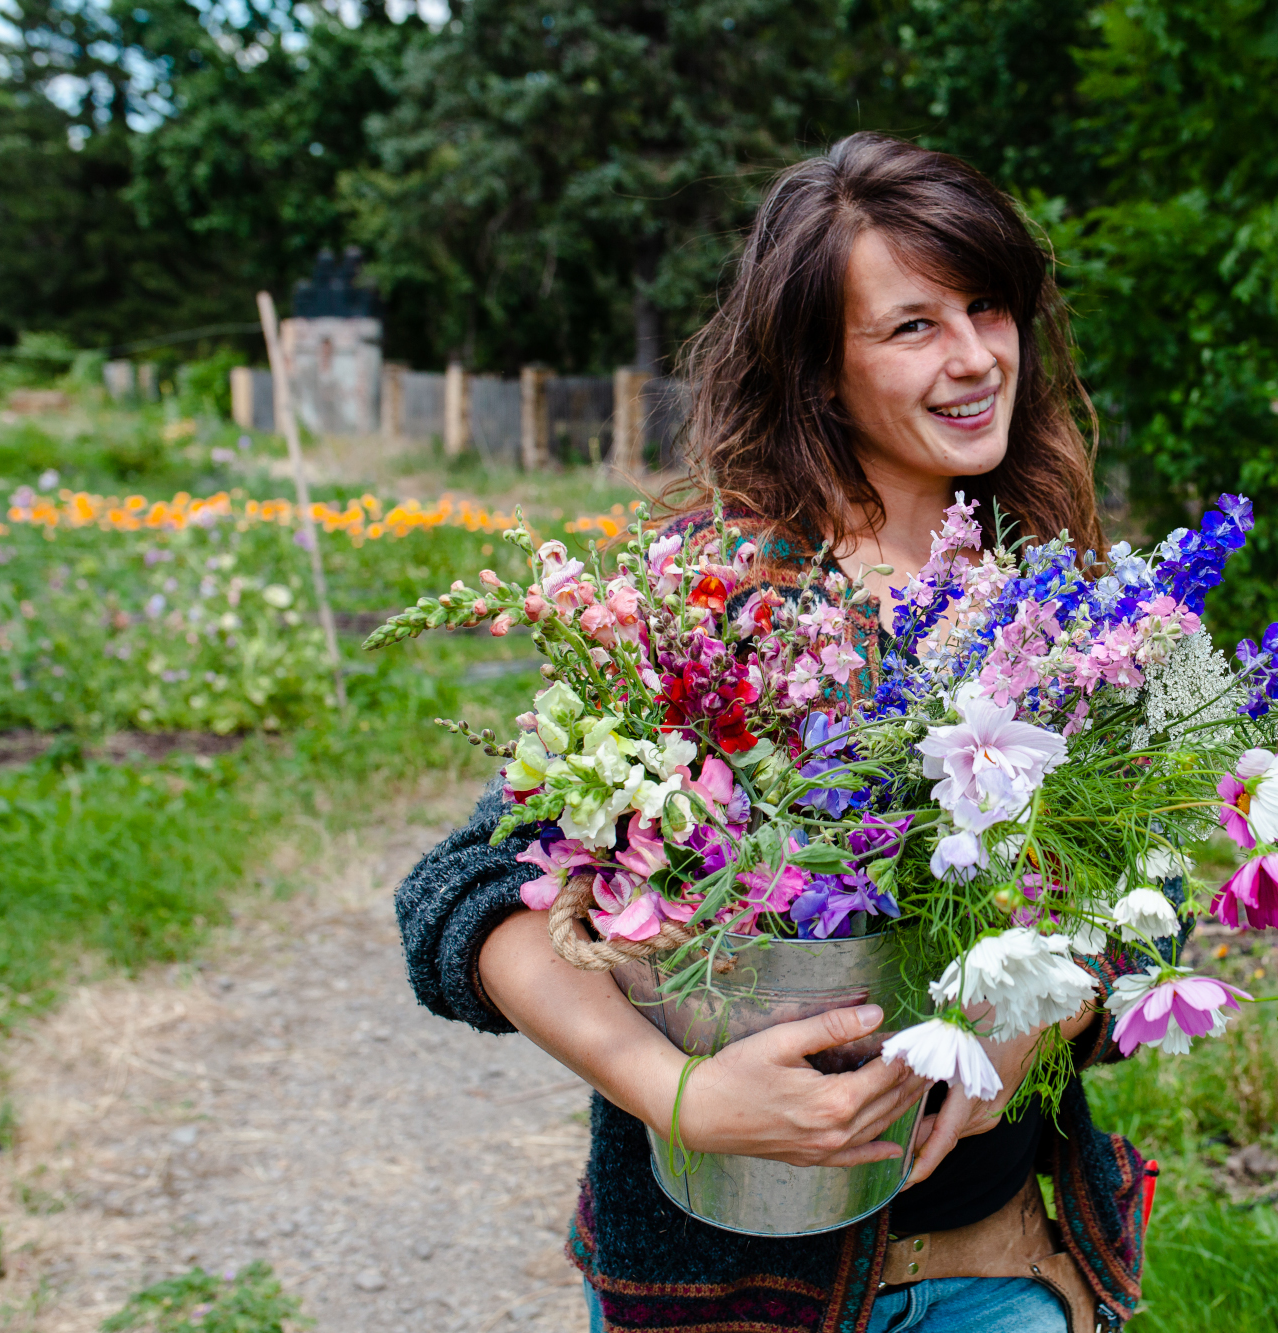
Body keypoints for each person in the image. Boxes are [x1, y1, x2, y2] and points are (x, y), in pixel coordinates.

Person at [397, 133, 1160, 1333]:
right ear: (817, 368)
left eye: (988, 307)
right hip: (734, 1290)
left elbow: (1137, 901)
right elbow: (465, 890)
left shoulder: (1059, 601)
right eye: (912, 326)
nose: (973, 359)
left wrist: (1036, 1016)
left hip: (998, 1269)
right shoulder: (723, 603)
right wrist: (682, 1093)